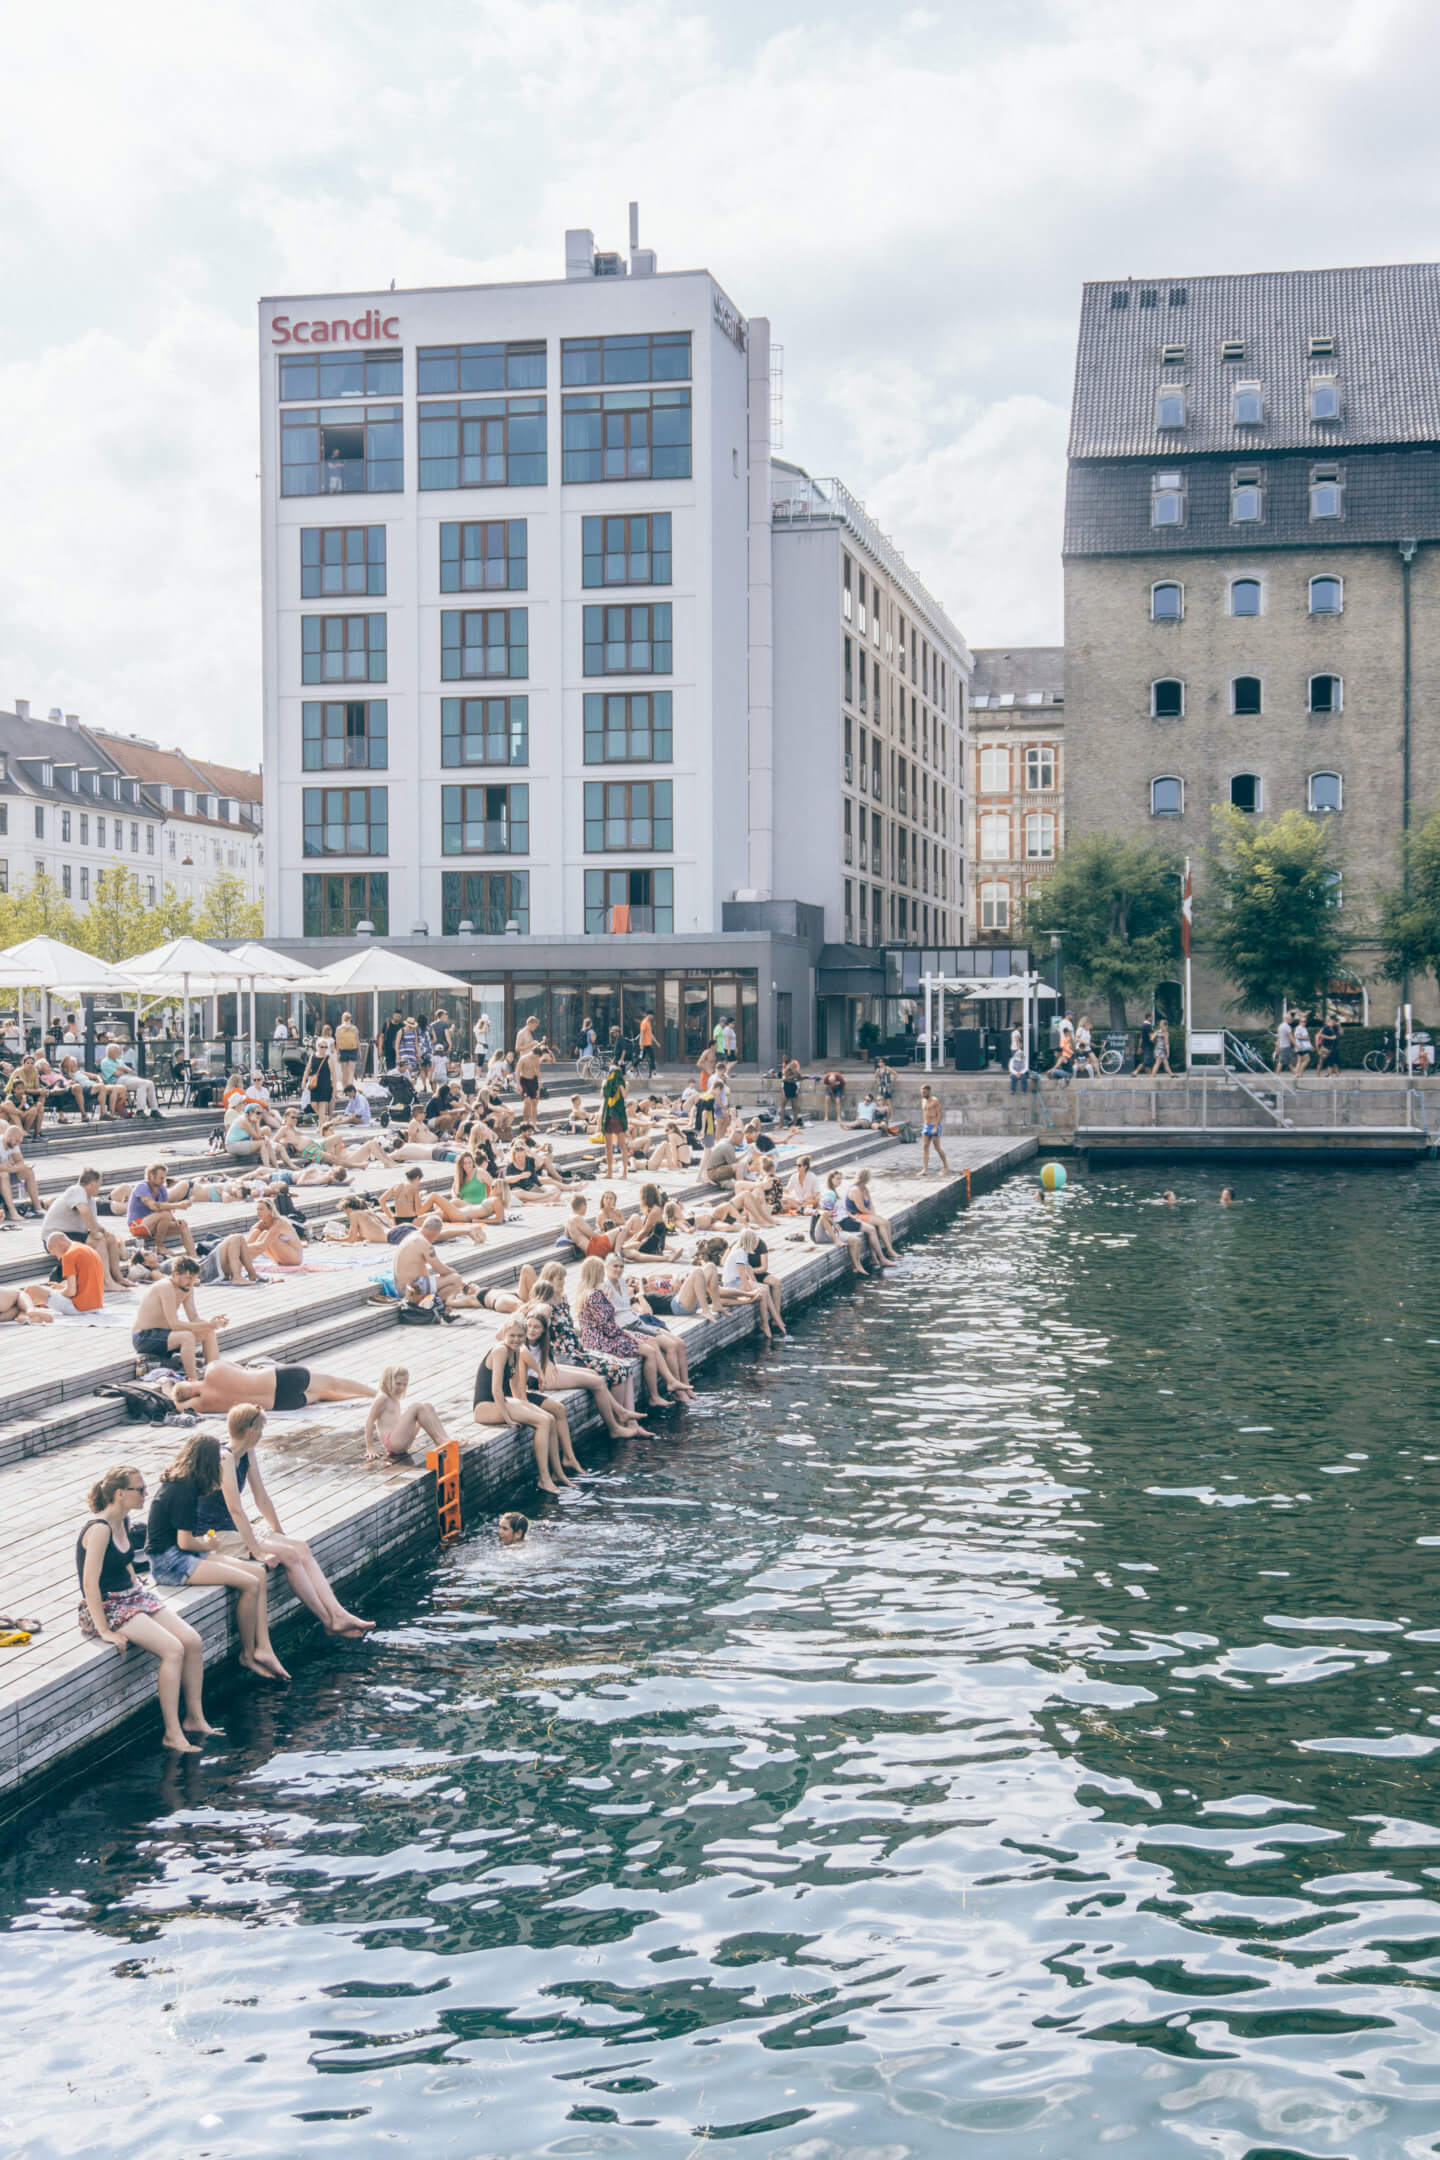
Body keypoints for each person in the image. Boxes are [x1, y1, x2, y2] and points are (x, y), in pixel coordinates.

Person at [76, 1464, 216, 1755]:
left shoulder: (123, 1521)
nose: (145, 1494)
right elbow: (90, 1584)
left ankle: (194, 1718)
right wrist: (104, 1630)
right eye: (139, 1489)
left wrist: (136, 1585)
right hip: (106, 1605)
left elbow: (125, 1559)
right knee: (172, 1649)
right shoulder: (99, 1529)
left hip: (131, 1595)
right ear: (119, 1494)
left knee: (192, 1641)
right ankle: (172, 1733)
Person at [211, 1403, 373, 1635]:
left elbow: (262, 1498)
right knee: (289, 1555)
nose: (262, 1435)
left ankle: (338, 1614)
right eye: (261, 1430)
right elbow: (235, 1509)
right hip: (215, 1533)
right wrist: (256, 1550)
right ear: (251, 1432)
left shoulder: (246, 1452)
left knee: (299, 1547)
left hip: (233, 1527)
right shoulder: (224, 1458)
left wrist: (279, 1533)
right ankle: (328, 1620)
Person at [145, 1432, 288, 1680]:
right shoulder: (183, 1490)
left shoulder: (184, 1482)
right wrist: (208, 1543)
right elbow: (185, 1541)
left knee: (257, 1571)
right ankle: (247, 1653)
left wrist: (204, 1544)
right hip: (169, 1562)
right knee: (251, 1583)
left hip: (181, 1553)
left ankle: (263, 1648)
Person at [472, 1319, 574, 1495]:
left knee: (549, 1418)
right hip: (485, 1407)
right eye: (512, 1335)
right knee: (542, 1422)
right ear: (504, 1334)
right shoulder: (501, 1351)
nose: (516, 1339)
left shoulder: (516, 1351)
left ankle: (558, 1473)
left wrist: (523, 1405)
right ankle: (544, 1479)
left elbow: (515, 1386)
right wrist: (508, 1418)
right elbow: (496, 1390)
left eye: (520, 1336)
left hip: (501, 1401)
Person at [575, 1255, 678, 1410]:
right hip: (601, 1341)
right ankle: (654, 1397)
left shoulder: (585, 1292)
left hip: (598, 1337)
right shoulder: (595, 1295)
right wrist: (625, 1334)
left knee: (647, 1346)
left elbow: (604, 1322)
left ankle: (651, 1399)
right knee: (649, 1351)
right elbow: (607, 1326)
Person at [132, 1259, 226, 1380]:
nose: (191, 1282)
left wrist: (213, 1324)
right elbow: (174, 1324)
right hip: (144, 1337)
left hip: (166, 1336)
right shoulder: (165, 1287)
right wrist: (209, 1324)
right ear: (176, 1274)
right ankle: (193, 1380)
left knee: (208, 1332)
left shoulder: (187, 1287)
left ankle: (213, 1373)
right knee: (186, 1336)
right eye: (188, 1278)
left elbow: (194, 1318)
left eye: (194, 1278)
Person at [41, 1166, 129, 1290]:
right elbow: (84, 1211)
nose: (99, 1188)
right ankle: (106, 1282)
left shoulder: (90, 1199)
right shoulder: (76, 1190)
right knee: (98, 1241)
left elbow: (93, 1222)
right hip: (54, 1237)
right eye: (99, 1184)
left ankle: (118, 1278)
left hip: (72, 1233)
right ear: (92, 1184)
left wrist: (103, 1231)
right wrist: (95, 1233)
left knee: (110, 1238)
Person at [173, 1361, 374, 1414]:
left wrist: (170, 1393)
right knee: (332, 1382)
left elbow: (180, 1406)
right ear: (191, 1380)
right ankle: (372, 1393)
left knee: (322, 1395)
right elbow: (241, 1368)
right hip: (279, 1379)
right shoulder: (213, 1369)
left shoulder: (203, 1404)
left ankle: (360, 1398)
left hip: (280, 1404)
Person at [365, 1364, 461, 1461]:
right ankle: (439, 1440)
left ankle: (445, 1439)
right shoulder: (382, 1398)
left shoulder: (394, 1398)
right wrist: (370, 1447)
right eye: (398, 1384)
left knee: (427, 1407)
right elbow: (369, 1420)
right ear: (387, 1381)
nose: (401, 1387)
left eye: (404, 1384)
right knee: (417, 1407)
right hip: (392, 1443)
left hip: (401, 1440)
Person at [721, 1227, 785, 1338]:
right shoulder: (739, 1253)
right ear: (750, 1241)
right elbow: (743, 1275)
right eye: (755, 1240)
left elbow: (749, 1273)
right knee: (762, 1292)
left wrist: (756, 1285)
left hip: (738, 1281)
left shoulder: (743, 1252)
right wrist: (752, 1290)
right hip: (733, 1283)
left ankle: (776, 1320)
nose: (757, 1242)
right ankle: (766, 1324)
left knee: (764, 1288)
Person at [129, 1162, 197, 1257]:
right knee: (165, 1214)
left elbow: (166, 1208)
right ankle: (159, 1246)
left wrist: (174, 1220)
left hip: (154, 1225)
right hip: (137, 1225)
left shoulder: (162, 1189)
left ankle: (193, 1256)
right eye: (161, 1178)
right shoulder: (142, 1187)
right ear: (151, 1176)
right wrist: (177, 1205)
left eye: (164, 1177)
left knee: (183, 1224)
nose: (163, 1180)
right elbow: (153, 1206)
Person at [812, 1169, 870, 1274]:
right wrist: (836, 1239)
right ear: (831, 1179)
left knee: (857, 1240)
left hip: (830, 1228)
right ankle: (858, 1266)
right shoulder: (829, 1194)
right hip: (822, 1233)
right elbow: (823, 1216)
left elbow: (828, 1215)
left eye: (841, 1179)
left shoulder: (833, 1192)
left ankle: (857, 1266)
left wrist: (835, 1224)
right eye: (838, 1179)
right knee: (854, 1240)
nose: (840, 1181)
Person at [42, 1230, 105, 1315]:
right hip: (95, 1306)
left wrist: (55, 1293)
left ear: (58, 1245)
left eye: (55, 1253)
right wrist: (62, 1288)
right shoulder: (88, 1249)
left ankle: (25, 1311)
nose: (58, 1258)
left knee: (35, 1291)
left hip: (79, 1307)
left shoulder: (69, 1255)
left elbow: (71, 1292)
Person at [846, 1168, 899, 1264]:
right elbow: (861, 1208)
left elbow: (871, 1205)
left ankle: (889, 1249)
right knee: (881, 1222)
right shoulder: (855, 1190)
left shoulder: (865, 1189)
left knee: (886, 1222)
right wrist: (875, 1217)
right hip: (855, 1215)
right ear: (866, 1178)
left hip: (864, 1214)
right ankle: (889, 1250)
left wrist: (874, 1215)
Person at [100, 1040, 162, 1118]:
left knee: (149, 1083)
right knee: (142, 1083)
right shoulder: (105, 1062)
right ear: (112, 1052)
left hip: (128, 1078)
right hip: (117, 1081)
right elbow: (116, 1074)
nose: (119, 1053)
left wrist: (122, 1069)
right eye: (118, 1051)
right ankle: (140, 1111)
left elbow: (131, 1071)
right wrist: (124, 1070)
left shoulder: (119, 1061)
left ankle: (154, 1110)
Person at [600, 1061, 630, 1178]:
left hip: (610, 1116)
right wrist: (625, 1087)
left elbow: (602, 1095)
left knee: (611, 1147)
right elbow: (624, 1096)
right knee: (621, 1146)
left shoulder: (607, 1082)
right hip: (615, 1116)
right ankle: (621, 1173)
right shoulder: (623, 1083)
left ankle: (612, 1173)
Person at [918, 1085, 950, 1175]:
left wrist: (936, 1127)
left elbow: (939, 1114)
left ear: (929, 1091)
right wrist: (925, 1125)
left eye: (924, 1092)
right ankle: (925, 1169)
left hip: (934, 1125)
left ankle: (945, 1167)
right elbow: (925, 1113)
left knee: (937, 1147)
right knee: (925, 1147)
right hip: (926, 1126)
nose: (922, 1093)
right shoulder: (923, 1100)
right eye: (921, 1092)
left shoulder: (935, 1101)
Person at [334, 1013, 361, 1089]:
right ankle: (350, 1089)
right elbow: (357, 1041)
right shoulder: (354, 1028)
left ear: (342, 1018)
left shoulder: (339, 1029)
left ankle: (344, 1089)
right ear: (350, 1019)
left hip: (342, 1051)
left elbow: (337, 1042)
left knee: (344, 1072)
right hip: (353, 1050)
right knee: (351, 1072)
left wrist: (337, 1053)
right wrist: (359, 1052)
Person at [1292, 1011, 1313, 1079]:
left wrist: (1310, 1045)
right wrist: (1305, 1038)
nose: (1304, 1023)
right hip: (1301, 1047)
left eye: (1305, 1021)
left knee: (1300, 1060)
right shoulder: (1299, 1028)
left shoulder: (1303, 1028)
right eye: (1303, 1021)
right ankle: (1299, 1073)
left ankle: (1297, 1074)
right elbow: (1297, 1036)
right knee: (1307, 1060)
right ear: (1300, 1022)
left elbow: (1307, 1038)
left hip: (1302, 1047)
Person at [637, 1011, 657, 1078]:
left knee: (641, 1057)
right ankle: (654, 1072)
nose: (653, 1017)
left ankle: (633, 1068)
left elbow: (650, 1034)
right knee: (652, 1057)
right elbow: (642, 1033)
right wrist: (641, 1043)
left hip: (647, 1043)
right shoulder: (644, 1022)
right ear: (649, 1015)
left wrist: (656, 1042)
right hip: (645, 1044)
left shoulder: (648, 1022)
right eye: (652, 1016)